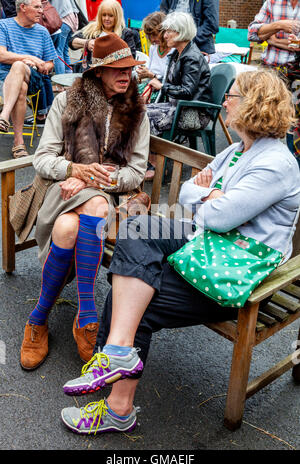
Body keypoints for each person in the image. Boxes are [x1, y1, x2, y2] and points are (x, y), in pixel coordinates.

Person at [60, 69, 300, 436]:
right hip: (210, 246)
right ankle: (119, 352)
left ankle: (118, 408)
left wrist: (210, 198)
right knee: (138, 231)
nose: (225, 102)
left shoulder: (275, 163)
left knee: (137, 299)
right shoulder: (239, 151)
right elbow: (189, 193)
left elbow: (217, 217)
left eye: (231, 96)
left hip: (237, 275)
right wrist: (211, 195)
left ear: (252, 105)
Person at [19, 33, 149, 371]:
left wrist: (93, 178)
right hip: (60, 190)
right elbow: (43, 158)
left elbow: (135, 171)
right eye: (118, 69)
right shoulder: (67, 101)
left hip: (107, 193)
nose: (126, 75)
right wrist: (74, 168)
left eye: (130, 68)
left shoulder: (137, 111)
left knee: (84, 214)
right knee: (77, 217)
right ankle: (86, 315)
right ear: (98, 72)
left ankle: (39, 318)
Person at [144, 11, 212, 180]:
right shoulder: (178, 53)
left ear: (181, 32)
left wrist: (161, 86)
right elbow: (174, 85)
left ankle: (157, 166)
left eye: (169, 31)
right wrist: (155, 80)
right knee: (139, 111)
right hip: (180, 107)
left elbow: (187, 91)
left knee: (144, 117)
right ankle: (152, 161)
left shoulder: (192, 57)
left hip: (194, 113)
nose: (164, 35)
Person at [0, 0, 57, 158]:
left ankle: (4, 115)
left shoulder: (42, 32)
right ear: (23, 8)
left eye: (41, 7)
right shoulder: (3, 25)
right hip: (4, 78)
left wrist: (43, 65)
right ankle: (18, 144)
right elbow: (1, 55)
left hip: (34, 77)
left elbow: (50, 63)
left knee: (18, 66)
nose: (42, 11)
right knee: (21, 88)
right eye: (37, 7)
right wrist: (29, 57)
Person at [248, 0, 300, 164]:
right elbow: (252, 33)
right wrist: (279, 25)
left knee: (296, 128)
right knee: (262, 122)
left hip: (297, 74)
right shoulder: (272, 2)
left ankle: (295, 170)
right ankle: (261, 166)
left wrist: (273, 39)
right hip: (271, 72)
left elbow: (264, 36)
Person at [69, 0, 136, 73]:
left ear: (117, 16)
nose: (106, 19)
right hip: (90, 73)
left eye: (111, 16)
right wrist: (87, 43)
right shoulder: (92, 29)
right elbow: (71, 42)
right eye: (104, 15)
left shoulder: (126, 33)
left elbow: (131, 59)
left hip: (113, 74)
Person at [136, 11, 174, 103]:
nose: (152, 39)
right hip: (151, 86)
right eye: (149, 35)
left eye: (155, 34)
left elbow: (172, 81)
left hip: (164, 92)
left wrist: (151, 75)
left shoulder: (174, 51)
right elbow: (150, 72)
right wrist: (143, 73)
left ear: (165, 31)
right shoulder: (153, 48)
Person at [50, 0, 79, 74]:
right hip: (72, 19)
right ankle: (69, 77)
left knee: (58, 52)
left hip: (63, 19)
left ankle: (60, 80)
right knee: (64, 51)